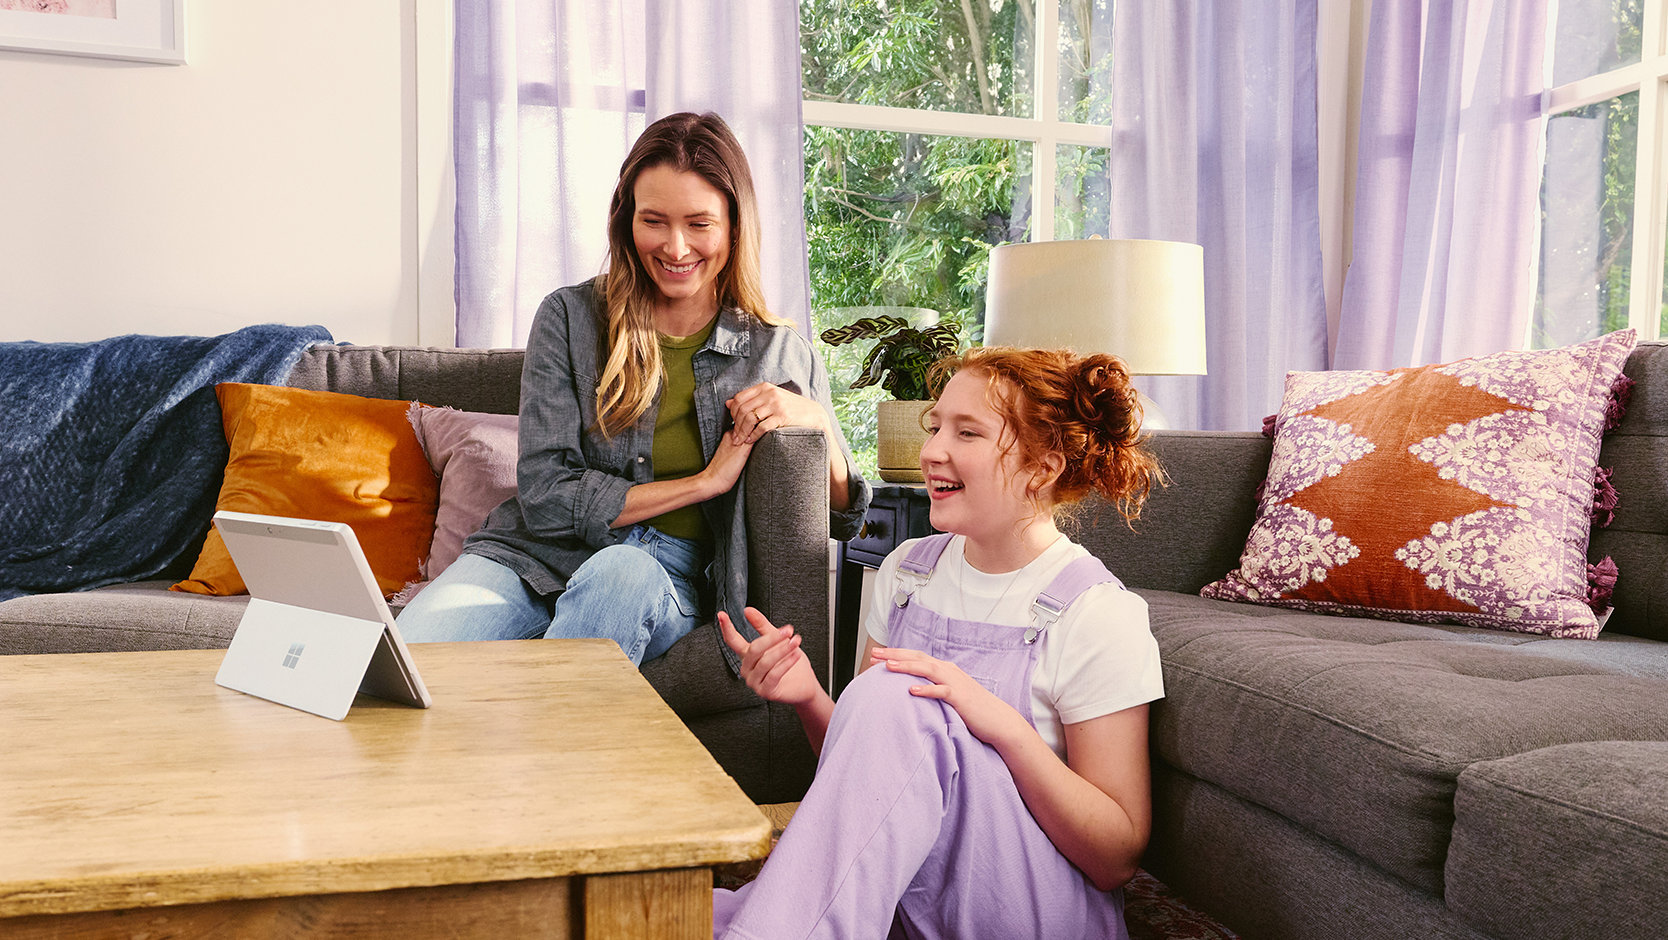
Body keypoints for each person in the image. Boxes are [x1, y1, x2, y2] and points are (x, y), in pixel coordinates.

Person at [714, 346, 1165, 939]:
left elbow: (1116, 856)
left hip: (1028, 905)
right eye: (936, 427)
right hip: (914, 895)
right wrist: (810, 699)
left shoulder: (1096, 613)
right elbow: (873, 789)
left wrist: (996, 721)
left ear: (1043, 468)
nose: (931, 451)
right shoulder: (907, 573)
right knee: (889, 697)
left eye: (968, 432)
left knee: (900, 695)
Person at [397, 111, 870, 666]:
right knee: (408, 657)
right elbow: (547, 497)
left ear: (734, 226)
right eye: (655, 221)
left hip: (665, 574)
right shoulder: (569, 318)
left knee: (620, 573)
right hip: (533, 557)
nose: (675, 247)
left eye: (699, 223)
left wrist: (814, 420)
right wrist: (704, 483)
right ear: (626, 221)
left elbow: (844, 516)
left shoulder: (774, 349)